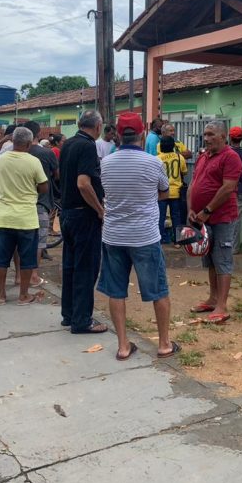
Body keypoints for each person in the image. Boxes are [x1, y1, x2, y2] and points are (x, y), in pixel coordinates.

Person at [98, 112, 178, 360]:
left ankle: (123, 346)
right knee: (158, 290)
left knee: (116, 291)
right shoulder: (154, 163)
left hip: (113, 236)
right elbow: (164, 193)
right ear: (142, 134)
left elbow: (107, 192)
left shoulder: (105, 164)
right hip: (145, 236)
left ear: (118, 134)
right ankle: (164, 344)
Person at [187, 121, 242, 324]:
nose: (207, 138)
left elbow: (228, 188)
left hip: (221, 218)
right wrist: (191, 210)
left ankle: (222, 305)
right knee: (209, 259)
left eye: (211, 134)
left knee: (223, 259)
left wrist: (207, 210)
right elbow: (193, 185)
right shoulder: (204, 156)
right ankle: (212, 299)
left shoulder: (231, 157)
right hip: (202, 218)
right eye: (205, 134)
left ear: (223, 136)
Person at [59, 110, 107, 334]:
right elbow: (83, 183)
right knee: (86, 268)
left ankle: (69, 314)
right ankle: (81, 320)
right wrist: (99, 209)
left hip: (67, 213)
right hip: (83, 215)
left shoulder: (68, 144)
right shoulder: (88, 146)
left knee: (70, 266)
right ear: (98, 126)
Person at [0, 127, 48, 306]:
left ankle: (1, 295)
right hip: (27, 218)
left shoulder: (0, 160)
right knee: (27, 258)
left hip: (4, 217)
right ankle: (23, 295)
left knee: (1, 258)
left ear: (13, 141)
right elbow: (44, 187)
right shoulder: (33, 161)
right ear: (29, 143)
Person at [26, 120, 58, 264]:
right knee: (39, 240)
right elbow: (57, 175)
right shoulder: (46, 153)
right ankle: (34, 274)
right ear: (38, 133)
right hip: (41, 201)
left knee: (23, 241)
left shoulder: (13, 154)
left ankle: (21, 274)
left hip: (19, 203)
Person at [157, 135, 187, 244]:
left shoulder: (157, 159)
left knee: (160, 217)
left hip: (161, 193)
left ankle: (159, 240)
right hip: (176, 192)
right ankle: (178, 241)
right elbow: (184, 172)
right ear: (173, 146)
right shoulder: (179, 157)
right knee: (176, 217)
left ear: (161, 146)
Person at [228, 126, 242, 254]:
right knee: (236, 219)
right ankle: (234, 247)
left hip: (226, 190)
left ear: (230, 137)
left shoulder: (225, 153)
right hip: (240, 189)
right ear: (241, 138)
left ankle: (223, 244)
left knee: (225, 218)